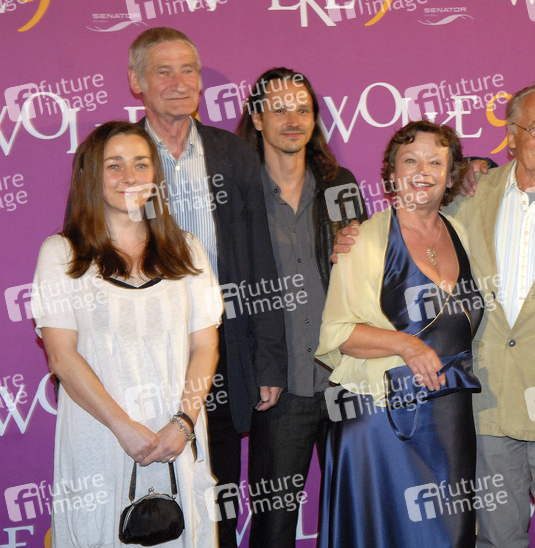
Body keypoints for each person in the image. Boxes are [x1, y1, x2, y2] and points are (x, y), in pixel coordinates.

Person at [334, 83, 535, 547]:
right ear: (511, 135)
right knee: (494, 541)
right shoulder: (470, 196)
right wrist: (353, 237)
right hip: (485, 404)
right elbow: (411, 225)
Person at [127, 27, 287, 547]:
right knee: (147, 498)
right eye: (163, 71)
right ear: (136, 81)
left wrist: (267, 359)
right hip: (141, 356)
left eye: (188, 70)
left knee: (217, 496)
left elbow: (261, 258)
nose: (180, 83)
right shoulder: (116, 154)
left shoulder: (233, 153)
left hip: (220, 350)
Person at [32, 121, 222, 547]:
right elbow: (61, 356)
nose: (130, 176)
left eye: (140, 164)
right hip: (100, 436)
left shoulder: (187, 249)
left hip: (177, 433)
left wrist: (183, 422)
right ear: (91, 176)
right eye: (114, 165)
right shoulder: (62, 255)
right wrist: (123, 427)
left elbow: (205, 345)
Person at [317, 121, 483, 548]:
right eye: (410, 161)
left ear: (451, 175)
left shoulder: (460, 232)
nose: (423, 171)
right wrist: (407, 345)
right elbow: (338, 333)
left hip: (450, 421)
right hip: (383, 423)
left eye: (435, 162)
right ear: (391, 174)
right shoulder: (363, 239)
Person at [234, 67, 367, 547]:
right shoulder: (237, 192)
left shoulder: (338, 184)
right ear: (257, 118)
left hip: (344, 378)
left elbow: (366, 279)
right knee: (273, 529)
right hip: (280, 385)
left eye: (303, 110)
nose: (293, 120)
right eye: (280, 110)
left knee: (355, 518)